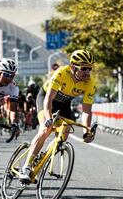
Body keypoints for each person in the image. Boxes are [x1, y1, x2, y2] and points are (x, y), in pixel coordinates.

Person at [19, 50, 97, 182]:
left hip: (64, 104)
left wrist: (86, 131)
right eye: (84, 68)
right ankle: (26, 167)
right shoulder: (61, 73)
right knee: (45, 129)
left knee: (63, 136)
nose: (87, 72)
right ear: (73, 67)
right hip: (47, 99)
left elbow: (86, 111)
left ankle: (41, 160)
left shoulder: (90, 82)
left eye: (90, 68)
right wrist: (48, 118)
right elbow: (48, 100)